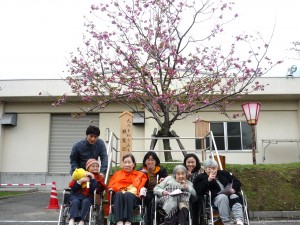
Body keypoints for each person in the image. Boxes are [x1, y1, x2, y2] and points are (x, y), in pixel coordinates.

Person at [193, 159, 244, 225]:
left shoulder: (224, 173)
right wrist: (208, 180)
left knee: (234, 196)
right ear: (205, 169)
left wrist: (233, 189)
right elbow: (199, 190)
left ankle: (239, 220)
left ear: (217, 168)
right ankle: (226, 222)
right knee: (222, 197)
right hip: (214, 200)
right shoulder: (200, 177)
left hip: (229, 195)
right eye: (209, 169)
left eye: (214, 168)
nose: (212, 171)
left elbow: (237, 182)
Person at [108, 153, 148, 225]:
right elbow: (112, 185)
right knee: (119, 194)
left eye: (129, 162)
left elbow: (141, 186)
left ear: (133, 164)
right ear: (123, 164)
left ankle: (128, 221)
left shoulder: (140, 175)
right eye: (125, 162)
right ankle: (119, 221)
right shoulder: (117, 174)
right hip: (119, 196)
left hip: (133, 197)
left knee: (127, 194)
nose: (127, 164)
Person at [68, 158, 107, 225]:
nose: (95, 168)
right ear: (88, 168)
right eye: (93, 166)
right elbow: (73, 189)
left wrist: (93, 179)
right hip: (77, 196)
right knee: (75, 201)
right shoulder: (81, 174)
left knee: (86, 201)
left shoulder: (99, 177)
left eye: (97, 166)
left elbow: (95, 190)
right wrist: (80, 181)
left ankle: (82, 220)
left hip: (89, 197)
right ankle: (72, 219)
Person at [139, 151, 168, 225]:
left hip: (158, 192)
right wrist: (142, 174)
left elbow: (167, 181)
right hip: (146, 192)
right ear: (145, 161)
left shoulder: (161, 170)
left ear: (156, 161)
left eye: (152, 160)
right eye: (148, 160)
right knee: (149, 198)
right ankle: (149, 221)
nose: (150, 162)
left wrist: (163, 180)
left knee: (153, 199)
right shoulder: (140, 170)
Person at [183, 153, 201, 225]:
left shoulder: (200, 172)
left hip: (195, 195)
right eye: (188, 162)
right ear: (185, 163)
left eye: (192, 162)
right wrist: (187, 177)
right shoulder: (181, 171)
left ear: (196, 162)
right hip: (183, 194)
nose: (190, 164)